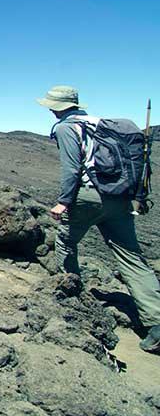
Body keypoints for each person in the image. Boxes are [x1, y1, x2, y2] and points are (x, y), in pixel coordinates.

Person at [38, 85, 160, 353]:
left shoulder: (66, 127)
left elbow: (71, 167)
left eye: (50, 105)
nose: (48, 109)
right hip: (120, 198)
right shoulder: (98, 123)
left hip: (88, 197)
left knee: (66, 243)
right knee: (131, 257)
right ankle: (157, 321)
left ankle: (70, 298)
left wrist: (63, 202)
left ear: (57, 107)